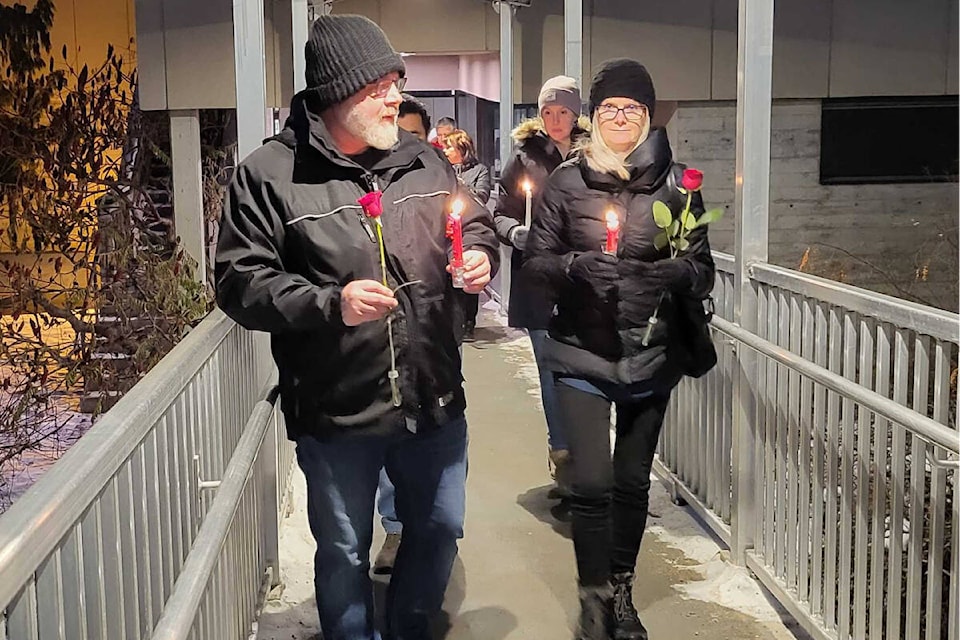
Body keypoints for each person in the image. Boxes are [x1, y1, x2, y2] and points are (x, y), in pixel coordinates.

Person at [214, 14, 498, 640]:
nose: (397, 96)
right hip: (338, 403)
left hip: (432, 392)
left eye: (397, 81)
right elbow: (239, 281)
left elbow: (473, 224)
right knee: (343, 552)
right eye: (380, 85)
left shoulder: (423, 160)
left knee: (438, 528)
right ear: (336, 92)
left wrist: (479, 255)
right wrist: (329, 304)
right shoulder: (270, 176)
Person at [523, 59, 716, 640]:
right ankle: (594, 597)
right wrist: (575, 266)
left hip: (652, 354)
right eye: (610, 108)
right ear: (594, 117)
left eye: (632, 108)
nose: (621, 118)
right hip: (582, 352)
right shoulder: (566, 183)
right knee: (592, 483)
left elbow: (703, 272)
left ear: (650, 116)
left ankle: (622, 590)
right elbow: (535, 265)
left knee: (632, 483)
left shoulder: (680, 188)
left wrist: (674, 274)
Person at [493, 75, 588, 498]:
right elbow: (499, 210)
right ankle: (564, 452)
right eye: (547, 112)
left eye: (563, 111)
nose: (555, 120)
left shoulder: (595, 155)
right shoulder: (525, 158)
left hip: (584, 279)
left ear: (576, 113)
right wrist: (516, 233)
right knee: (551, 366)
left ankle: (587, 450)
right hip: (539, 279)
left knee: (583, 365)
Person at [372, 91, 435, 576]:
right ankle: (394, 530)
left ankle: (422, 533)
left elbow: (469, 230)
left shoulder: (433, 176)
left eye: (413, 132)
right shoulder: (365, 182)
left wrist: (475, 258)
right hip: (376, 347)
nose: (404, 140)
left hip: (430, 351)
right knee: (389, 442)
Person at [442, 129, 491, 341]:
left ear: (461, 149)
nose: (445, 151)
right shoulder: (440, 171)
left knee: (469, 274)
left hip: (466, 225)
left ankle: (469, 321)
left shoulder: (479, 170)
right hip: (448, 228)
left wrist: (462, 189)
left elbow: (482, 194)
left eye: (449, 146)